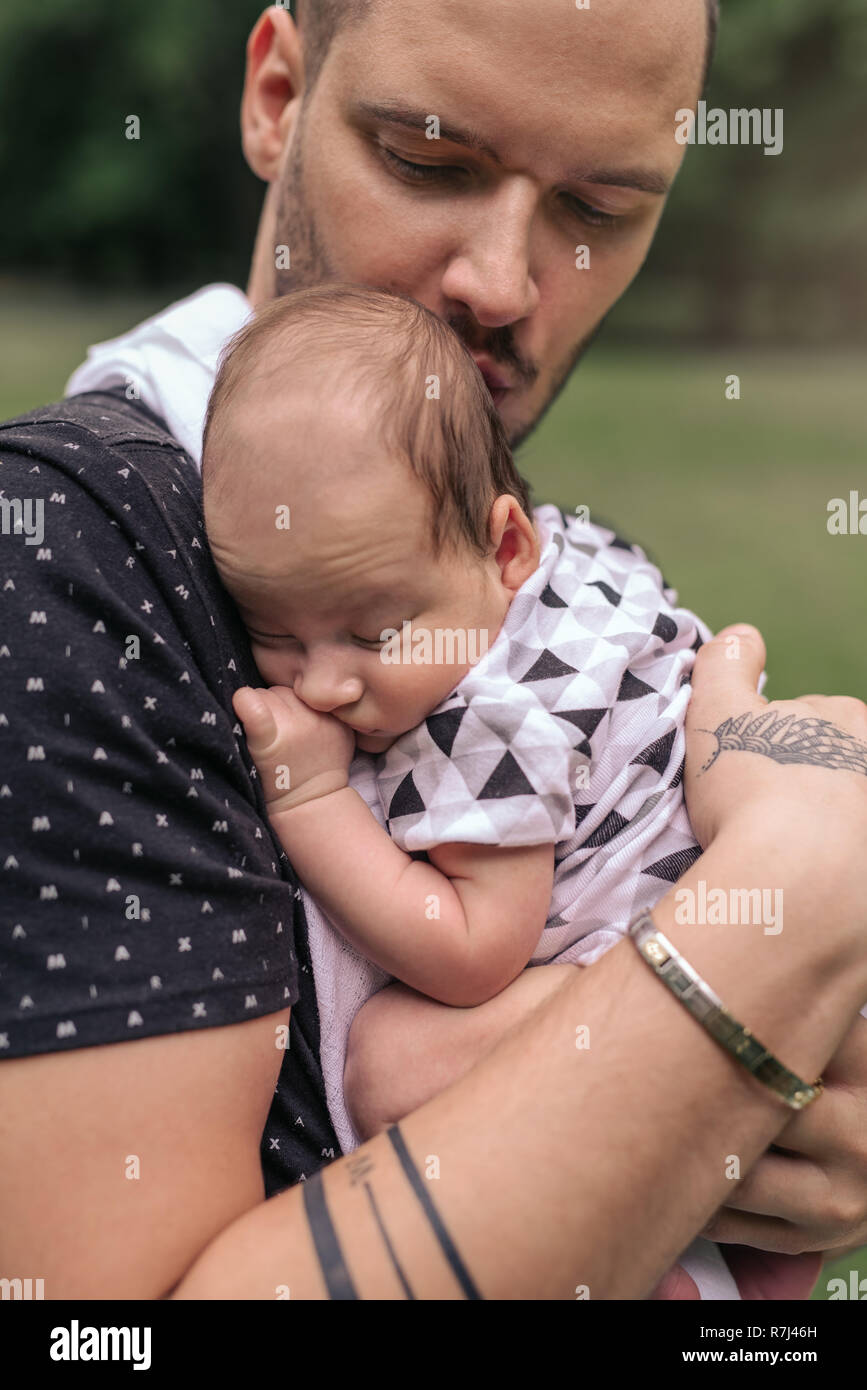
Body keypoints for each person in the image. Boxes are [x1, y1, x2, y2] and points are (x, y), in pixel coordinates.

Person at [2, 0, 867, 1299]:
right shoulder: (73, 556)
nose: (504, 283)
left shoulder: (499, 551)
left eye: (601, 209)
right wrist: (787, 920)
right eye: (429, 160)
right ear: (278, 96)